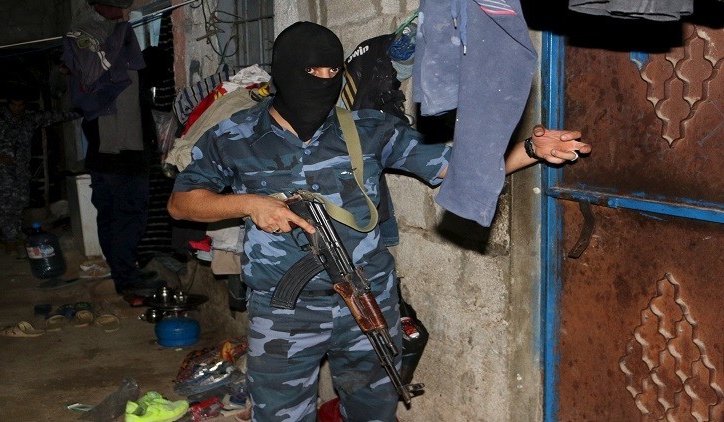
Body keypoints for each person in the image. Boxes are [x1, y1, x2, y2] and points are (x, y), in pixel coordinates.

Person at [167, 22, 590, 422]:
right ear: (284, 72)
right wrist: (249, 204)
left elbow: (458, 169)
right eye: (311, 71)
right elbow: (182, 205)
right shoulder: (235, 135)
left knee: (374, 411)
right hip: (283, 309)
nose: (323, 80)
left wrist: (530, 149)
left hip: (366, 297)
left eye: (333, 71)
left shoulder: (369, 130)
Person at [62, 0, 162, 295]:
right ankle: (128, 281)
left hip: (103, 154)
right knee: (127, 218)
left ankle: (123, 273)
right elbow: (100, 77)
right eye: (118, 6)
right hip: (121, 154)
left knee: (110, 217)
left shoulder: (98, 43)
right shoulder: (99, 42)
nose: (123, 13)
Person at [0, 90, 79, 257]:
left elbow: (54, 116)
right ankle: (10, 242)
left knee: (19, 204)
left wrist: (82, 112)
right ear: (8, 104)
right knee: (6, 206)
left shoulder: (29, 118)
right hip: (2, 172)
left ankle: (15, 236)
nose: (17, 108)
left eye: (20, 105)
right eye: (13, 105)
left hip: (22, 171)